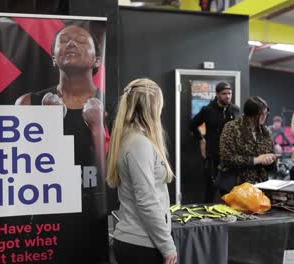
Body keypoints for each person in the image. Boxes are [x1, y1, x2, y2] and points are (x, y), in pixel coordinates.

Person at [15, 23, 108, 262]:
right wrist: (49, 124)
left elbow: (111, 175)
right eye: (64, 40)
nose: (72, 43)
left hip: (96, 220)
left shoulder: (115, 107)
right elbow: (21, 170)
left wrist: (98, 128)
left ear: (97, 60)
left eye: (80, 40)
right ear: (54, 58)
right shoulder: (28, 103)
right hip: (48, 222)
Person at [107, 78, 177, 264]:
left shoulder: (134, 139)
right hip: (142, 245)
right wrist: (168, 246)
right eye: (160, 105)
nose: (161, 110)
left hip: (140, 242)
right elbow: (146, 200)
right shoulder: (139, 143)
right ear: (152, 107)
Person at [190, 81, 240, 202]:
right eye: (224, 93)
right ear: (217, 94)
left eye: (229, 93)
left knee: (228, 192)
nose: (227, 96)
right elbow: (192, 125)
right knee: (210, 190)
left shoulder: (235, 110)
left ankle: (229, 218)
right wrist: (201, 140)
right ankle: (207, 217)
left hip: (230, 158)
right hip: (212, 156)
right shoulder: (207, 110)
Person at [217, 96, 277, 195]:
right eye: (261, 114)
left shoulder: (266, 131)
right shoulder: (231, 128)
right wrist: (256, 160)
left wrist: (269, 160)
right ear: (252, 114)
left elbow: (269, 154)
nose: (264, 116)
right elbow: (227, 158)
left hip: (260, 186)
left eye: (266, 113)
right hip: (235, 185)